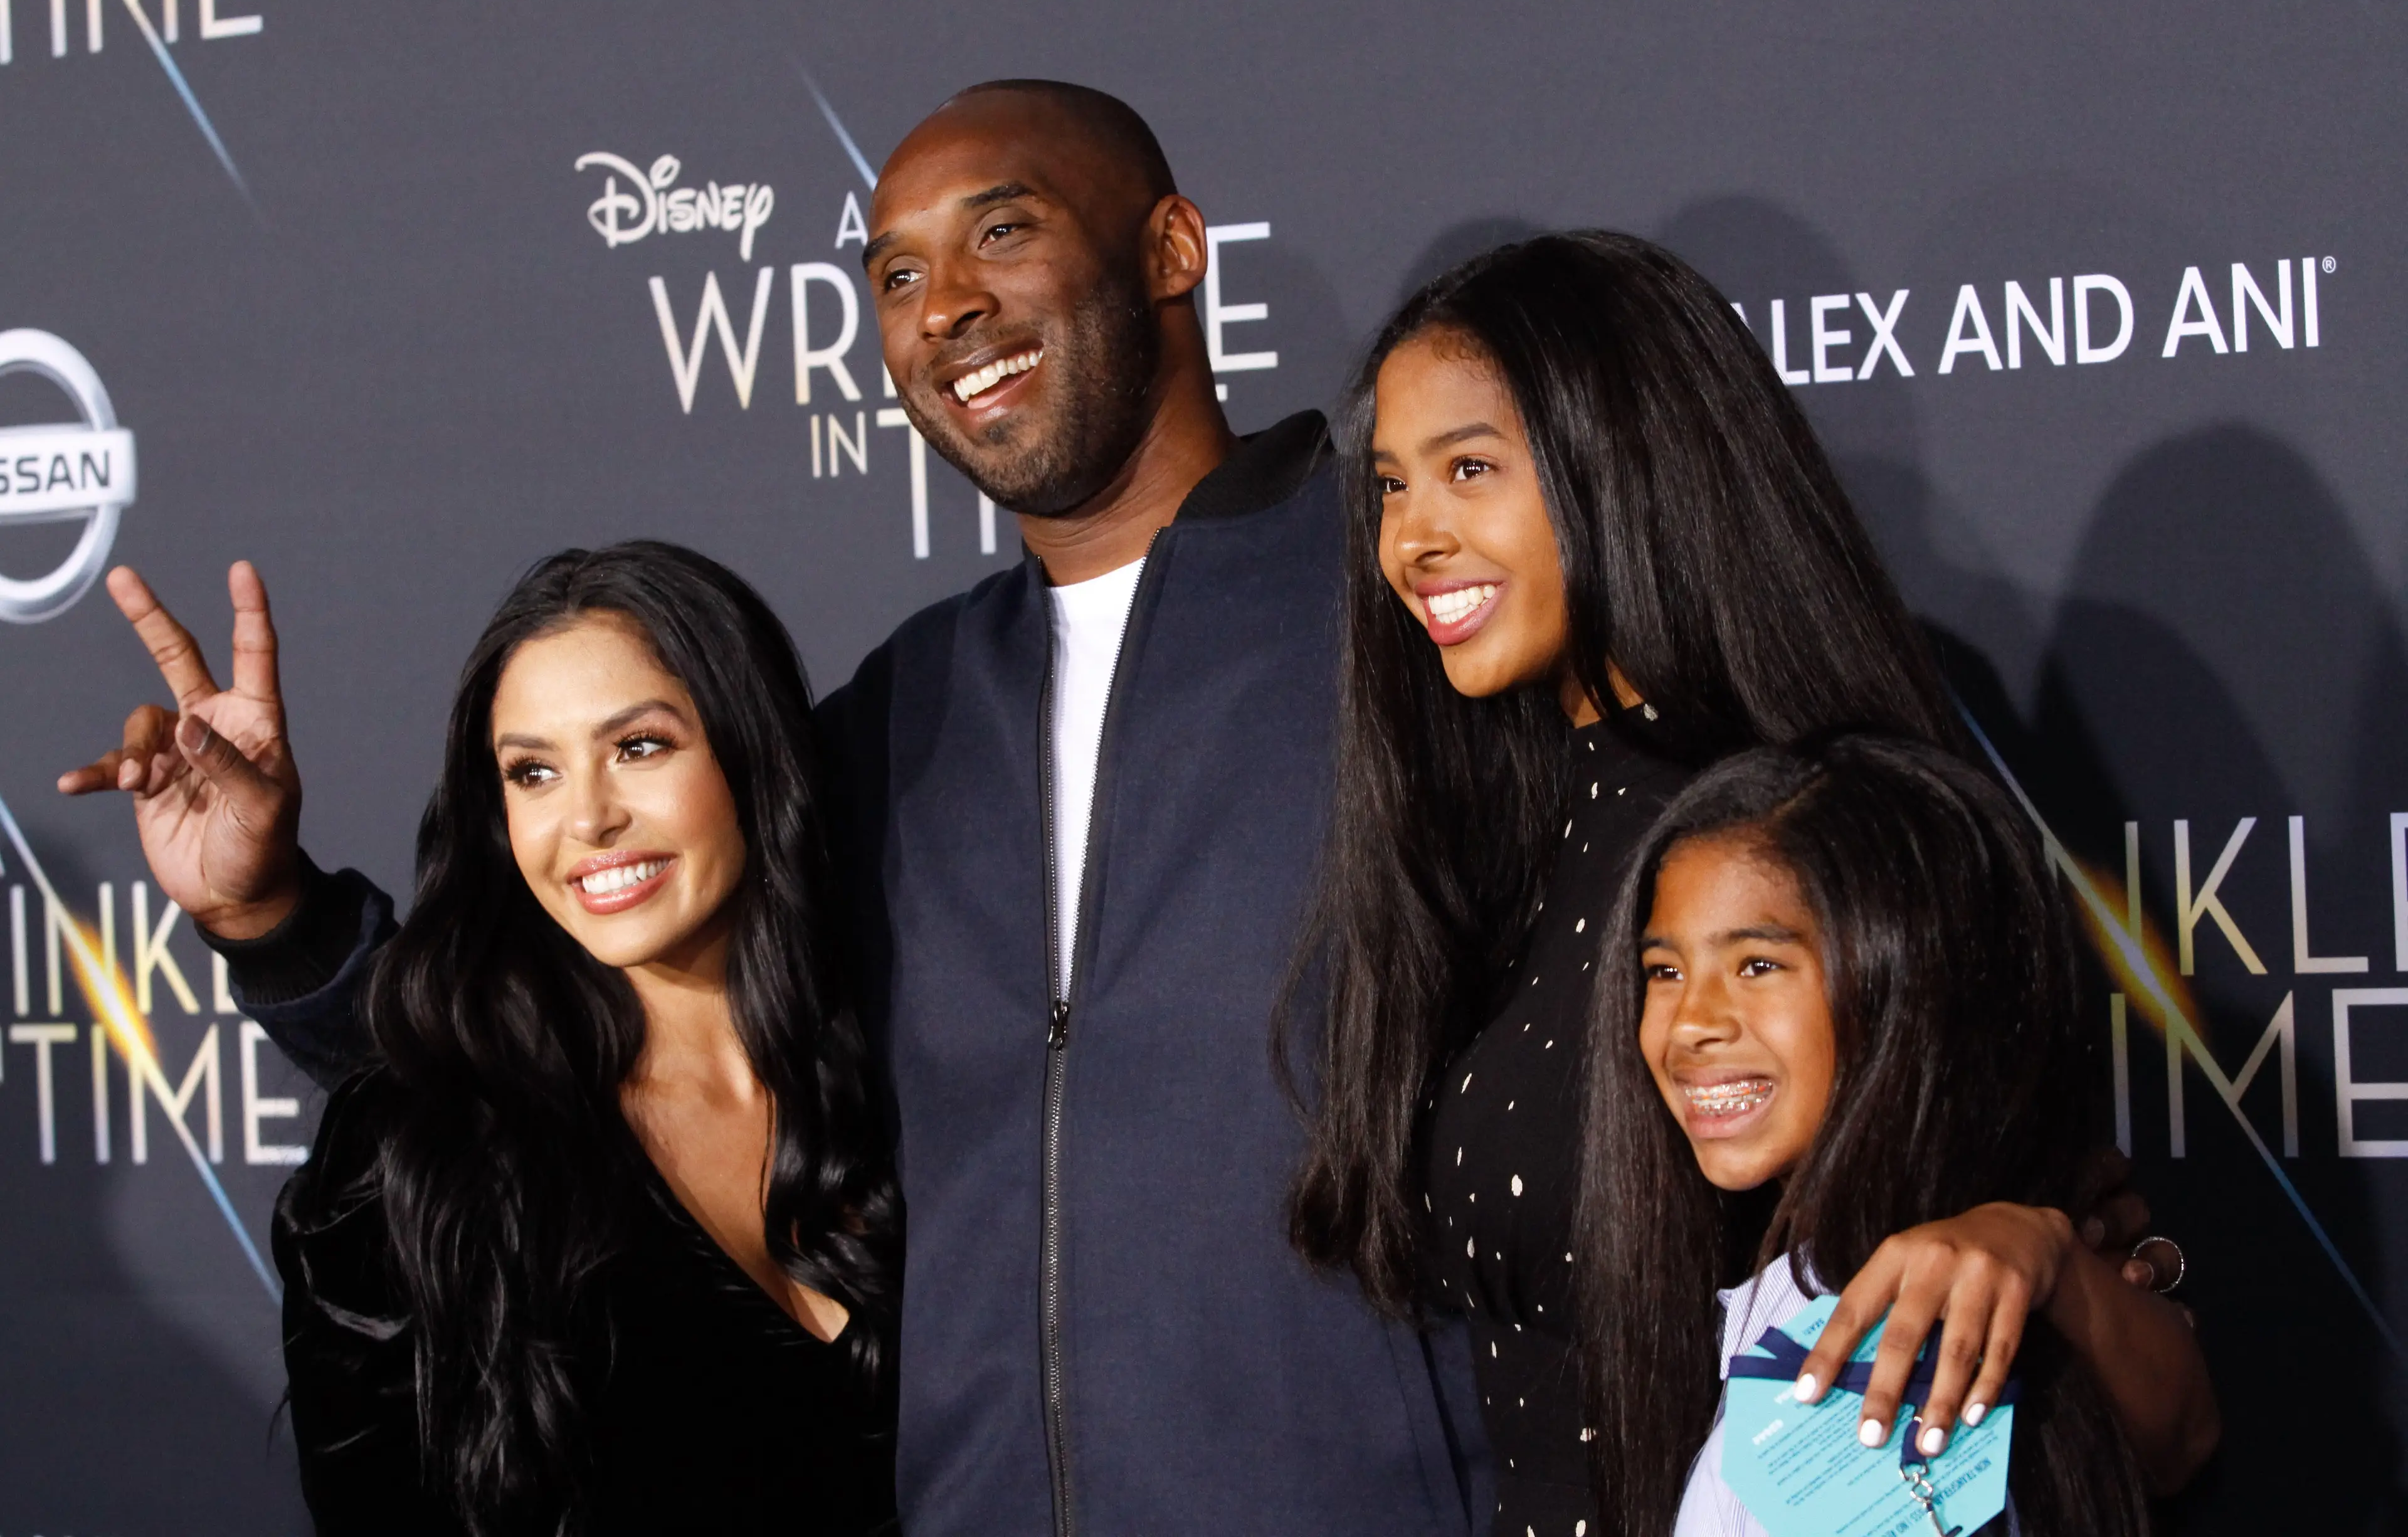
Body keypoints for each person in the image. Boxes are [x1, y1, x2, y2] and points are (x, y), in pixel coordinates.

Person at [62, 83, 1484, 1536]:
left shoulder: (1412, 614)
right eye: (897, 276)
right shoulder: (914, 711)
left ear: (1174, 247)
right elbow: (568, 1014)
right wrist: (277, 917)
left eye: (1003, 231)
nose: (945, 309)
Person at [1284, 231, 2217, 1534]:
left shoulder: (1806, 840)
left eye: (1471, 470)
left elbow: (2142, 1407)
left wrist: (2046, 1245)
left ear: (1626, 467)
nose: (1413, 540)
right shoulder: (1500, 843)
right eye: (1390, 487)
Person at [63, 544, 899, 1534]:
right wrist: (268, 914)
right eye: (533, 772)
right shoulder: (412, 1170)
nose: (587, 817)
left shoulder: (903, 1070)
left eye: (639, 747)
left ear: (751, 754)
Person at [1601, 734, 2205, 1536]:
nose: (1692, 1027)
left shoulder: (1932, 1309)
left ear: (1904, 980)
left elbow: (2186, 1437)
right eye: (1664, 972)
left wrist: (2052, 1260)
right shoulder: (1772, 1292)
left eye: (1757, 965)